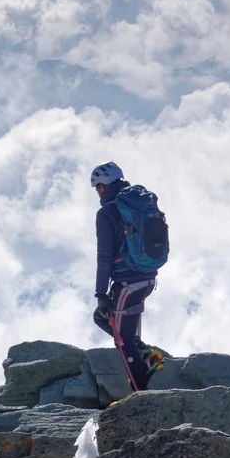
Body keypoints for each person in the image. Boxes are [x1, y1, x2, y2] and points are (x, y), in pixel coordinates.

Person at [90, 160, 170, 392]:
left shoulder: (107, 213)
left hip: (128, 282)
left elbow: (104, 256)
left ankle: (140, 394)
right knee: (103, 318)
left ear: (103, 186)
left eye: (97, 188)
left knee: (123, 338)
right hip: (147, 278)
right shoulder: (138, 205)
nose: (98, 193)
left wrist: (100, 291)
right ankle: (146, 356)